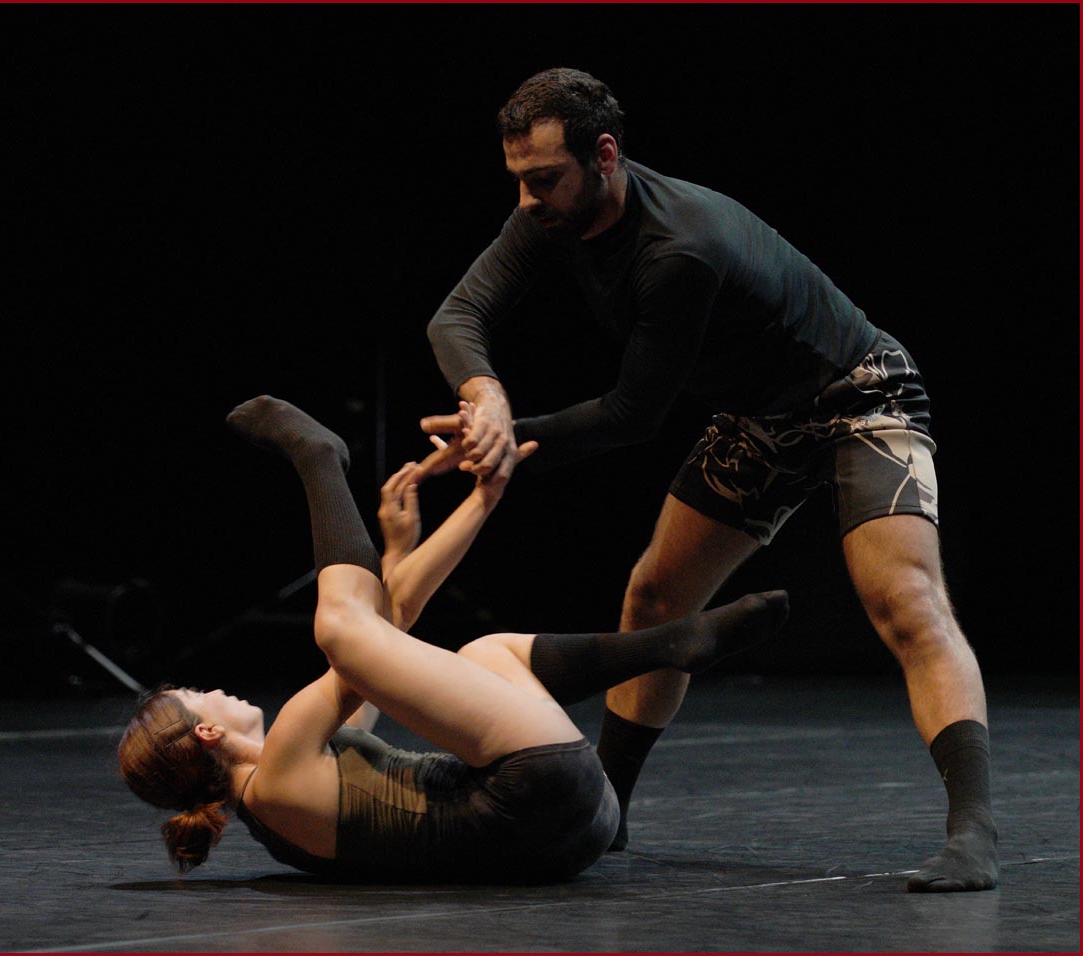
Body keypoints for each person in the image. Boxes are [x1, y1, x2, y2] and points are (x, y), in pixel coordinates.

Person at [421, 67, 997, 892]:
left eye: (542, 178)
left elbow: (632, 415)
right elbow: (456, 314)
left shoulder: (678, 250)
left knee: (905, 601)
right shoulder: (548, 213)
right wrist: (484, 396)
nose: (525, 198)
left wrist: (506, 442)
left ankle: (972, 834)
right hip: (759, 416)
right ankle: (605, 812)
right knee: (655, 596)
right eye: (516, 178)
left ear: (604, 156)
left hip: (858, 396)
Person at [118, 396, 789, 881]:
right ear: (206, 732)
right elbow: (364, 633)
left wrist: (475, 503)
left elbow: (387, 640)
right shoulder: (281, 768)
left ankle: (666, 643)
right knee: (337, 630)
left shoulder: (280, 810)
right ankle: (318, 458)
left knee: (479, 654)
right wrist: (388, 550)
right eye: (199, 694)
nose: (216, 690)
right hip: (538, 790)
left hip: (576, 831)